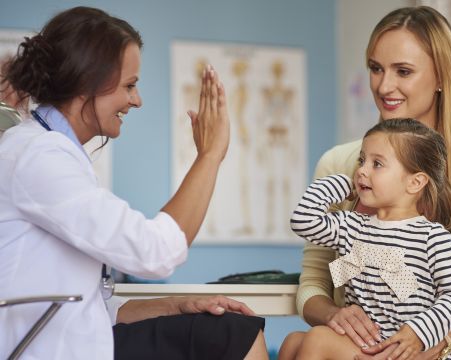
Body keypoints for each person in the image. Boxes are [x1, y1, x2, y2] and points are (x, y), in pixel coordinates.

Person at [0, 6, 267, 360]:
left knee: (242, 332)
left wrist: (178, 305)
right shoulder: (40, 156)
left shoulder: (46, 151)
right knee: (236, 335)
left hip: (73, 342)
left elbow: (95, 309)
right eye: (130, 85)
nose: (136, 100)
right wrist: (210, 156)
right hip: (49, 350)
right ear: (87, 82)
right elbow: (156, 251)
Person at [296, 6, 451, 360]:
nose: (383, 86)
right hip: (359, 344)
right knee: (294, 345)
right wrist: (334, 315)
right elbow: (315, 281)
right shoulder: (340, 165)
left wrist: (428, 346)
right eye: (376, 69)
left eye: (403, 71)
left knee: (314, 343)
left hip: (444, 350)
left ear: (441, 77)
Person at [282, 118, 451, 360]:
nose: (362, 170)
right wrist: (342, 184)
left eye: (377, 164)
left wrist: (419, 332)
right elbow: (303, 221)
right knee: (292, 342)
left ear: (415, 182)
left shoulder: (432, 238)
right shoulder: (351, 227)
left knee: (318, 339)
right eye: (362, 161)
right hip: (367, 343)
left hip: (401, 350)